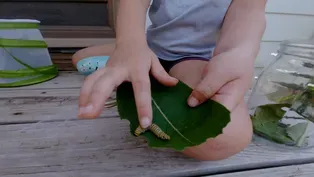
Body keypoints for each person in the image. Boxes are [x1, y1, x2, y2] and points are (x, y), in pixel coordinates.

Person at [72, 0, 267, 161]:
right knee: (79, 58)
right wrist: (129, 43)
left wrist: (240, 51)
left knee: (224, 138)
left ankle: (134, 63)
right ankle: (130, 58)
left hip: (192, 57)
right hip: (151, 46)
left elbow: (249, 9)